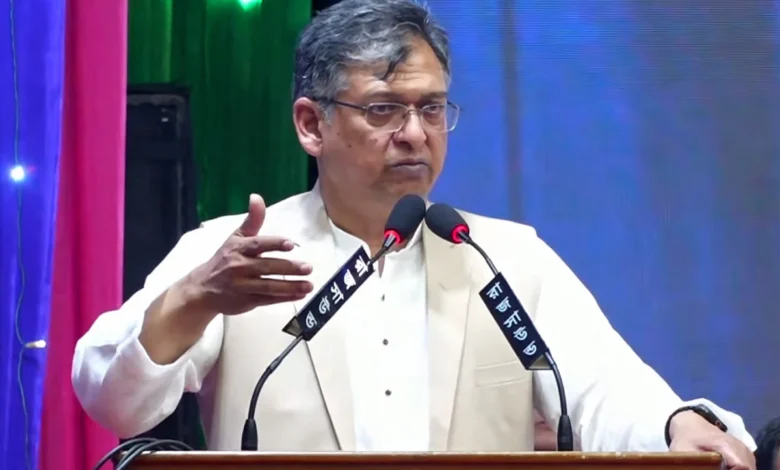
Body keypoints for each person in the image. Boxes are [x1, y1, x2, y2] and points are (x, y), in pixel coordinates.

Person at [72, 0, 756, 467]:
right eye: (383, 110)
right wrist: (194, 298)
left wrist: (678, 424)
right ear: (311, 125)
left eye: (431, 108)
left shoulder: (502, 256)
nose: (414, 134)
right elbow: (113, 401)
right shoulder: (235, 255)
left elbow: (604, 388)